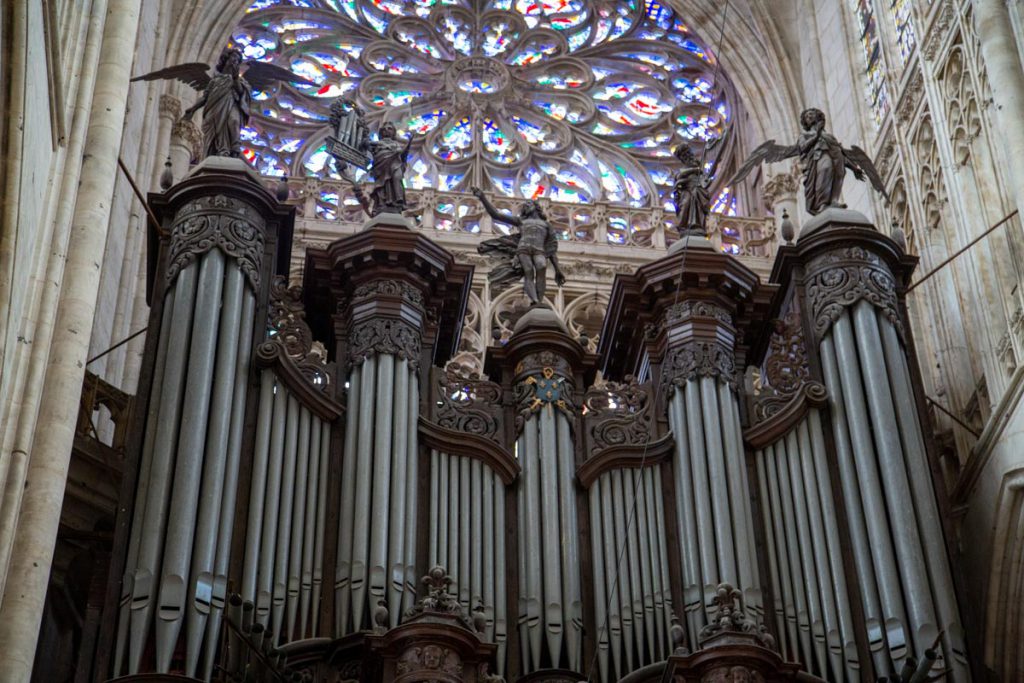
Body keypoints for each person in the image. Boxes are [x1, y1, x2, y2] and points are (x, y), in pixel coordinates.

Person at [472, 188, 566, 305]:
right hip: (524, 248)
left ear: (536, 206)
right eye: (525, 205)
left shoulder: (546, 224)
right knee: (529, 272)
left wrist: (558, 270)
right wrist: (482, 198)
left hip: (540, 250)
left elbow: (551, 247)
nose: (526, 206)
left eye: (529, 203)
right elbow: (495, 215)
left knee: (541, 268)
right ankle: (535, 300)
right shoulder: (521, 221)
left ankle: (539, 300)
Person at [183, 48, 251, 158]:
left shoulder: (239, 81)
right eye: (233, 57)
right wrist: (192, 109)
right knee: (212, 137)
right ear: (226, 59)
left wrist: (235, 78)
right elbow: (205, 98)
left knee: (234, 121)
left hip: (230, 104)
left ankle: (234, 148)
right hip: (214, 110)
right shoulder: (214, 81)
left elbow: (241, 92)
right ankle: (217, 153)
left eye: (238, 61)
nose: (235, 61)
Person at [364, 122, 412, 216]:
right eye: (384, 129)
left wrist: (410, 142)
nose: (386, 131)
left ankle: (397, 200)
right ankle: (383, 203)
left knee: (397, 178)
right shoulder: (378, 143)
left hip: (395, 164)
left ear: (393, 132)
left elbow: (403, 155)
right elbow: (366, 145)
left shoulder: (395, 144)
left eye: (389, 129)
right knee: (383, 184)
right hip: (381, 164)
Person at [671, 145, 712, 236]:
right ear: (682, 159)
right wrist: (695, 170)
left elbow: (705, 180)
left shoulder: (699, 168)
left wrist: (705, 180)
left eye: (688, 153)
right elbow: (680, 176)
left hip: (698, 190)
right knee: (686, 204)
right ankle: (683, 225)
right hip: (686, 191)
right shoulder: (684, 170)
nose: (687, 156)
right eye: (684, 155)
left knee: (698, 205)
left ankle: (697, 225)